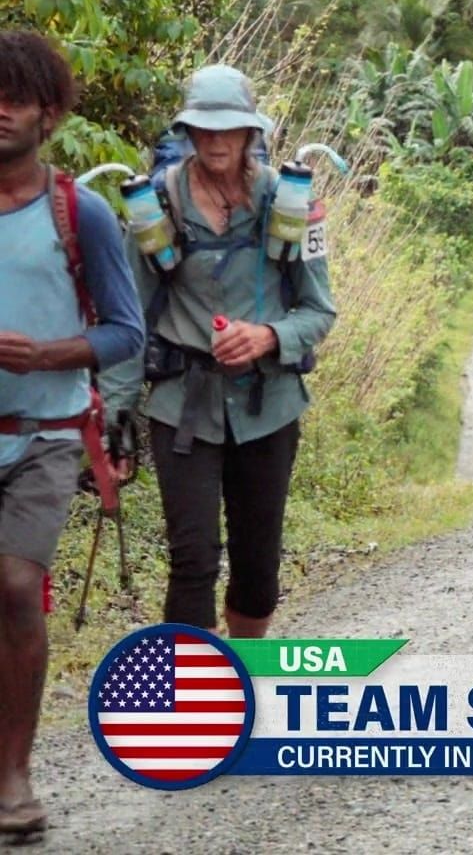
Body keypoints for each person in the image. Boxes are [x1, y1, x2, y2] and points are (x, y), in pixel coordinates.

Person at [101, 64, 337, 638]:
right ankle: (197, 704)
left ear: (250, 133)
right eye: (203, 130)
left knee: (258, 566)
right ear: (188, 132)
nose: (215, 141)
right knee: (193, 560)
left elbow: (319, 310)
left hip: (270, 404)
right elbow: (131, 319)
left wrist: (269, 336)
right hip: (183, 405)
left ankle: (246, 683)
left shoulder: (291, 205)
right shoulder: (155, 208)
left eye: (228, 129)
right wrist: (114, 419)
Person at [0, 30, 144, 838]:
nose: (0, 109)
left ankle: (14, 779)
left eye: (15, 97)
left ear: (48, 115)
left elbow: (128, 333)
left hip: (46, 434)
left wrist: (49, 352)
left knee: (18, 589)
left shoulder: (78, 212)